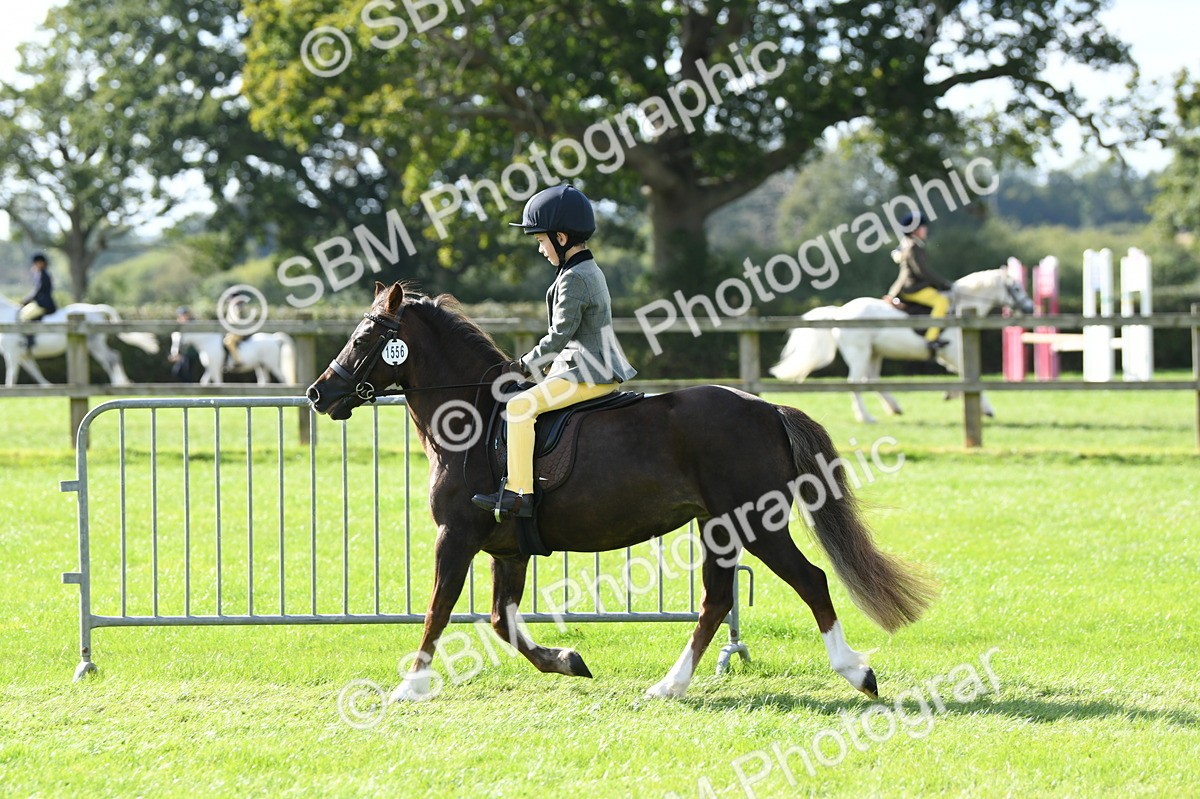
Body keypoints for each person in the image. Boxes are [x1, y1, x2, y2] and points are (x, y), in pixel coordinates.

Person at [471, 184, 637, 519]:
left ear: (560, 238)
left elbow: (558, 337)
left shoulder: (576, 277)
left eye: (540, 240)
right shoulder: (581, 271)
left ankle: (519, 494)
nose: (539, 249)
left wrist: (522, 366)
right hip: (586, 367)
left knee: (519, 407)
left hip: (590, 371)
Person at [886, 213, 953, 353]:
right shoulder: (913, 247)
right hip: (912, 288)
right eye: (923, 227)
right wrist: (943, 284)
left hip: (914, 286)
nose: (926, 230)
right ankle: (931, 339)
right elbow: (923, 272)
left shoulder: (911, 244)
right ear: (914, 230)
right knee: (942, 301)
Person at [19, 253, 57, 350]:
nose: (35, 265)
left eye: (36, 263)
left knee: (26, 316)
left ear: (41, 263)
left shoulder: (43, 274)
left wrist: (26, 300)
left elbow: (38, 290)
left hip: (45, 304)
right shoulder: (41, 274)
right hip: (41, 302)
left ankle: (30, 341)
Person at [169, 307, 201, 382]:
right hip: (183, 354)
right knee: (178, 372)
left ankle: (190, 390)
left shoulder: (192, 324)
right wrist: (175, 354)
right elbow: (176, 341)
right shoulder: (179, 326)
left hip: (190, 353)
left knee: (186, 373)